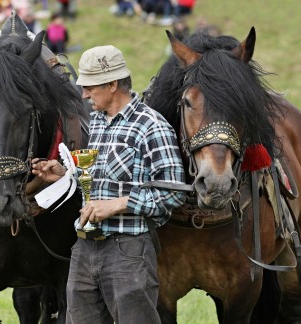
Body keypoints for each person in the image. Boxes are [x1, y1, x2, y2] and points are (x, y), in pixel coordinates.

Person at [32, 45, 185, 323]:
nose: (84, 95)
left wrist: (116, 206)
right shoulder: (98, 122)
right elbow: (98, 182)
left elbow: (173, 193)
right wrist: (65, 176)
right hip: (84, 248)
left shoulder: (152, 126)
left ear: (113, 84)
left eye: (90, 87)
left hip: (128, 250)